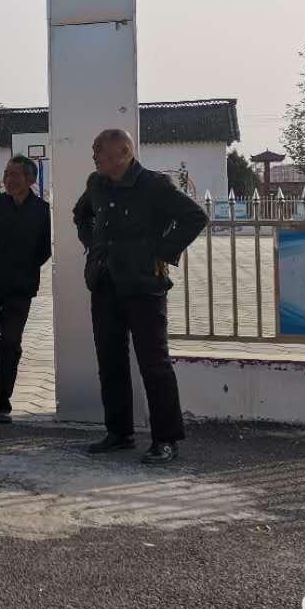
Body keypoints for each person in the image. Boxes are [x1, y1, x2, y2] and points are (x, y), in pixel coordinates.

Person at [72, 128, 207, 465]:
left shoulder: (154, 185)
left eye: (100, 150)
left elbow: (195, 217)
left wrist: (161, 252)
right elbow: (81, 214)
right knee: (110, 361)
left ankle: (166, 439)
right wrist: (93, 246)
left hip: (144, 285)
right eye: (94, 150)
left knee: (154, 363)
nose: (95, 156)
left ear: (124, 152)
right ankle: (119, 433)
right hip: (105, 284)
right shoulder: (97, 184)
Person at [0, 155, 51, 424]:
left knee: (10, 343)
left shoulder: (42, 211)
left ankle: (1, 402)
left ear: (30, 179)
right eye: (6, 173)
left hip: (20, 286)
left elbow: (44, 249)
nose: (8, 179)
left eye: (14, 174)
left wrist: (22, 267)